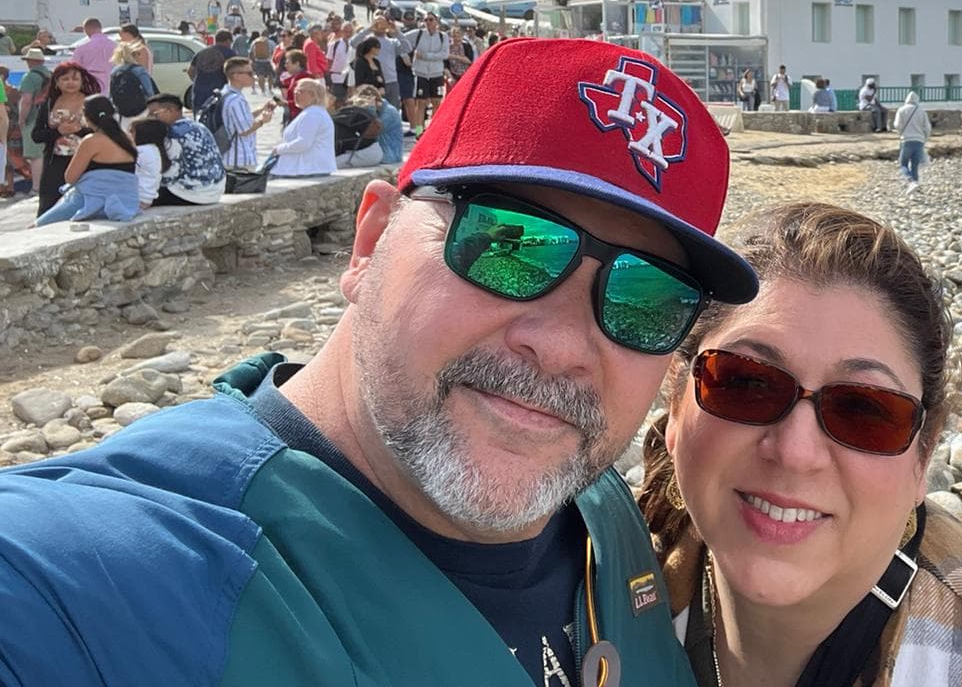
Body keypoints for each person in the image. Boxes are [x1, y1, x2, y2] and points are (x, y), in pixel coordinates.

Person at [0, 39, 757, 686]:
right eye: (508, 243)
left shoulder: (600, 517)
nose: (561, 347)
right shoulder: (117, 575)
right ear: (370, 243)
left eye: (648, 300)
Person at [639, 203, 962, 687]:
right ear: (677, 403)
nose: (795, 451)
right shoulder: (592, 567)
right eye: (747, 383)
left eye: (863, 411)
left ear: (924, 457)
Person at [32, 96, 140, 226]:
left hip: (91, 200)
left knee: (37, 226)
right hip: (126, 200)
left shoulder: (91, 141)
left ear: (87, 118)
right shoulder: (128, 138)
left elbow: (70, 178)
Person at [31, 62, 95, 215]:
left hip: (87, 162)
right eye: (65, 79)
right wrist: (58, 131)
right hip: (55, 163)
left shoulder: (92, 102)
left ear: (82, 81)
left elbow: (105, 132)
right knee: (49, 205)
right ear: (57, 82)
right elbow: (37, 135)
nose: (70, 83)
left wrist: (80, 131)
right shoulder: (48, 103)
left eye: (75, 79)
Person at [144, 94, 226, 207]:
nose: (150, 119)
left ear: (170, 110)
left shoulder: (173, 134)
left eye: (154, 114)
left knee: (143, 194)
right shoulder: (199, 126)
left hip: (192, 194)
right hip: (216, 190)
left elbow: (170, 175)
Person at [269, 79, 337, 177]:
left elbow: (303, 143)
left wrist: (278, 149)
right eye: (295, 91)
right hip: (308, 168)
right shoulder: (313, 112)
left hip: (307, 169)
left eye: (300, 91)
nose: (296, 94)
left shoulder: (312, 114)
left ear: (313, 95)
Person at [219, 57, 277, 169]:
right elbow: (244, 130)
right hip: (239, 159)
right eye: (249, 73)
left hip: (230, 157)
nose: (253, 76)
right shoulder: (236, 100)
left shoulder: (226, 93)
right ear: (236, 76)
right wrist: (262, 121)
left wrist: (260, 110)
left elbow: (237, 120)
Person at [404, 13, 450, 131]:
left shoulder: (443, 36)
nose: (428, 22)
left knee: (436, 102)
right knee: (420, 103)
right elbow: (401, 41)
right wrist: (406, 57)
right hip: (421, 73)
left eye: (431, 20)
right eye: (426, 20)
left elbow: (444, 54)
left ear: (437, 21)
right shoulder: (417, 34)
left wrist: (425, 56)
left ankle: (433, 130)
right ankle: (419, 131)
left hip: (437, 73)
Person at [14, 47, 50, 191]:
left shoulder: (29, 77)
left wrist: (21, 119)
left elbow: (27, 100)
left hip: (34, 119)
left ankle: (36, 187)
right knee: (46, 154)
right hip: (49, 118)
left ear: (30, 61)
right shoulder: (50, 74)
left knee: (36, 156)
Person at [348, 84, 405, 164]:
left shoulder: (390, 112)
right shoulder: (381, 110)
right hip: (380, 152)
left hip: (390, 154)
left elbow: (371, 131)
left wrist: (370, 109)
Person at [187, 29, 233, 116]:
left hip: (199, 91)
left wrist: (198, 81)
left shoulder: (201, 52)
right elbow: (234, 74)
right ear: (228, 41)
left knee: (200, 120)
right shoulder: (230, 54)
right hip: (219, 93)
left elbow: (190, 71)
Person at [891, 91, 931, 192]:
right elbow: (927, 128)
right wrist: (925, 138)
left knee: (903, 163)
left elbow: (897, 125)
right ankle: (915, 184)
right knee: (915, 164)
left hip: (906, 140)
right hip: (919, 141)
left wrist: (901, 133)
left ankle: (911, 181)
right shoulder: (922, 111)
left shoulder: (901, 110)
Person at [108, 41, 157, 121]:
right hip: (141, 110)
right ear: (134, 55)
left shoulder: (115, 71)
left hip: (122, 112)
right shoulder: (139, 71)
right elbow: (150, 92)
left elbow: (110, 94)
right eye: (138, 54)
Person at [130, 118, 170, 209]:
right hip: (148, 199)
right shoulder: (155, 150)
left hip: (138, 197)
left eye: (132, 132)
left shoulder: (141, 151)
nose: (129, 135)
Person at [74, 17, 117, 94]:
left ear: (86, 30)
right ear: (100, 28)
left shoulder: (81, 48)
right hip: (112, 83)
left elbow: (74, 67)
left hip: (90, 83)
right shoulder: (116, 46)